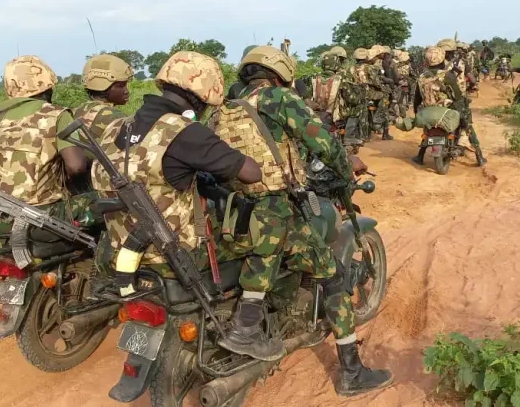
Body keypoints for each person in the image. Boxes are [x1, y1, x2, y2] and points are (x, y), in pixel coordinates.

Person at [211, 45, 393, 396]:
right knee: (334, 277)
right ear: (279, 72)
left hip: (236, 214)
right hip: (278, 209)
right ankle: (352, 374)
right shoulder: (279, 98)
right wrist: (347, 163)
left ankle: (259, 314)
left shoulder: (225, 110)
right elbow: (321, 142)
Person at [89, 52, 285, 360]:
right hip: (175, 252)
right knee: (274, 224)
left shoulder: (115, 129)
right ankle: (247, 326)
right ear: (204, 94)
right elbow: (251, 173)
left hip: (120, 250)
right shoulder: (184, 131)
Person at [0, 56, 93, 238]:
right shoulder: (57, 114)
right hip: (44, 217)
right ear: (47, 85)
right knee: (105, 201)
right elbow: (76, 167)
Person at [411, 46, 487, 167]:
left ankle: (420, 155)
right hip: (447, 111)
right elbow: (457, 96)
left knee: (429, 129)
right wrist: (462, 110)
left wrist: (416, 111)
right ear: (442, 60)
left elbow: (417, 98)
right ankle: (479, 156)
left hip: (428, 111)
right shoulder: (448, 76)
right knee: (467, 125)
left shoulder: (421, 77)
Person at [74, 54, 132, 143]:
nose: (126, 91)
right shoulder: (116, 117)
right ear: (104, 87)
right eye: (121, 86)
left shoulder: (76, 110)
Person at [368, 45, 395, 140]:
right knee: (385, 110)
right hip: (380, 91)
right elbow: (389, 77)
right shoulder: (383, 63)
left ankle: (368, 132)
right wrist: (392, 87)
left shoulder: (366, 64)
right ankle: (385, 133)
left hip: (368, 92)